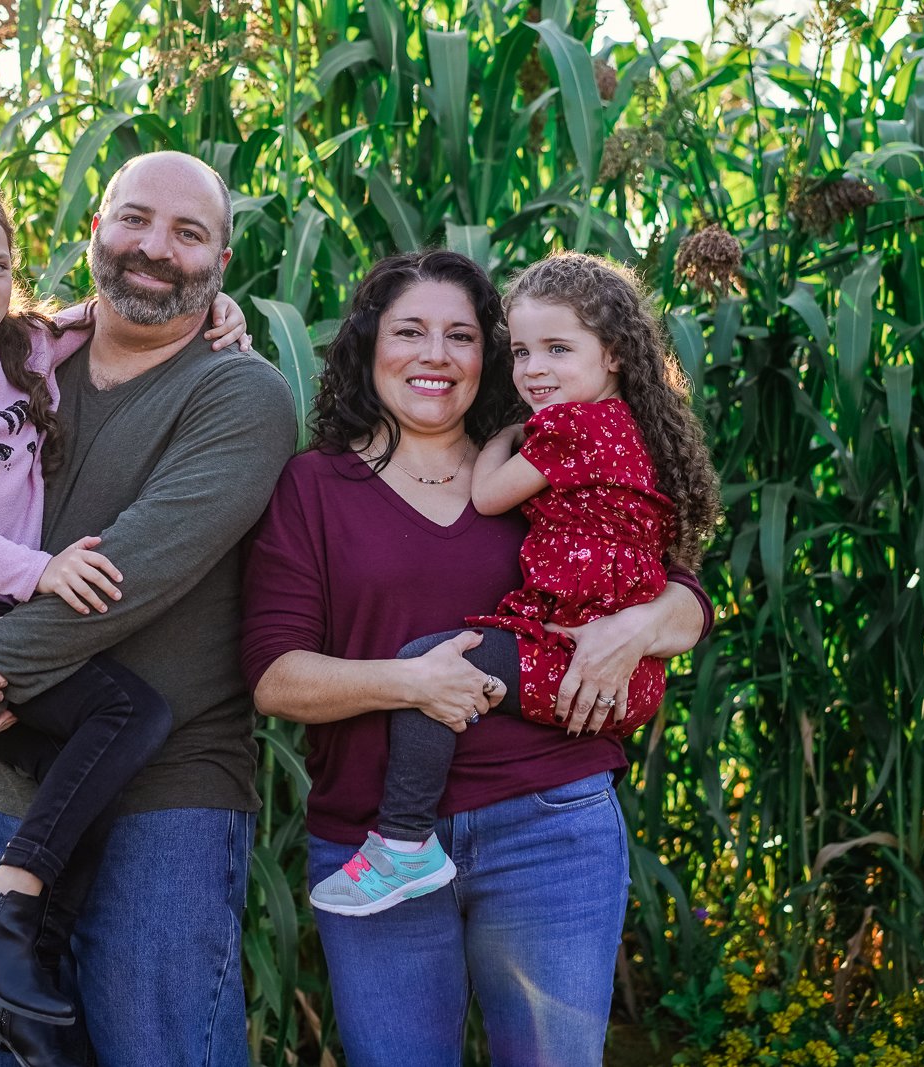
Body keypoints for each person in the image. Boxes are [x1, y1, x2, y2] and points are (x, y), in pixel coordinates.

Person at [0, 152, 298, 1066]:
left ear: (222, 262)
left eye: (188, 232)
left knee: (156, 1047)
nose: (154, 249)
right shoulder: (9, 362)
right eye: (134, 219)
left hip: (168, 794)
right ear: (95, 230)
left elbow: (115, 581)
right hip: (17, 781)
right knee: (20, 1054)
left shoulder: (238, 393)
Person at [242, 249, 713, 1066]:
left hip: (549, 823)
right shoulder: (312, 487)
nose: (435, 354)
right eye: (410, 332)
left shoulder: (553, 465)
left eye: (460, 335)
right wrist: (414, 682)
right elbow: (275, 677)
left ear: (485, 355)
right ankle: (404, 844)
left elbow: (682, 596)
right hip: (373, 837)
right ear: (367, 345)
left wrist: (637, 626)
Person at [307, 251, 721, 917]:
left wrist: (506, 435)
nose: (532, 370)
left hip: (569, 662)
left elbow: (492, 494)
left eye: (557, 349)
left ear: (612, 353)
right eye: (522, 352)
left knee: (433, 665)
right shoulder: (639, 431)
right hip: (621, 677)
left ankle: (403, 843)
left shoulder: (562, 428)